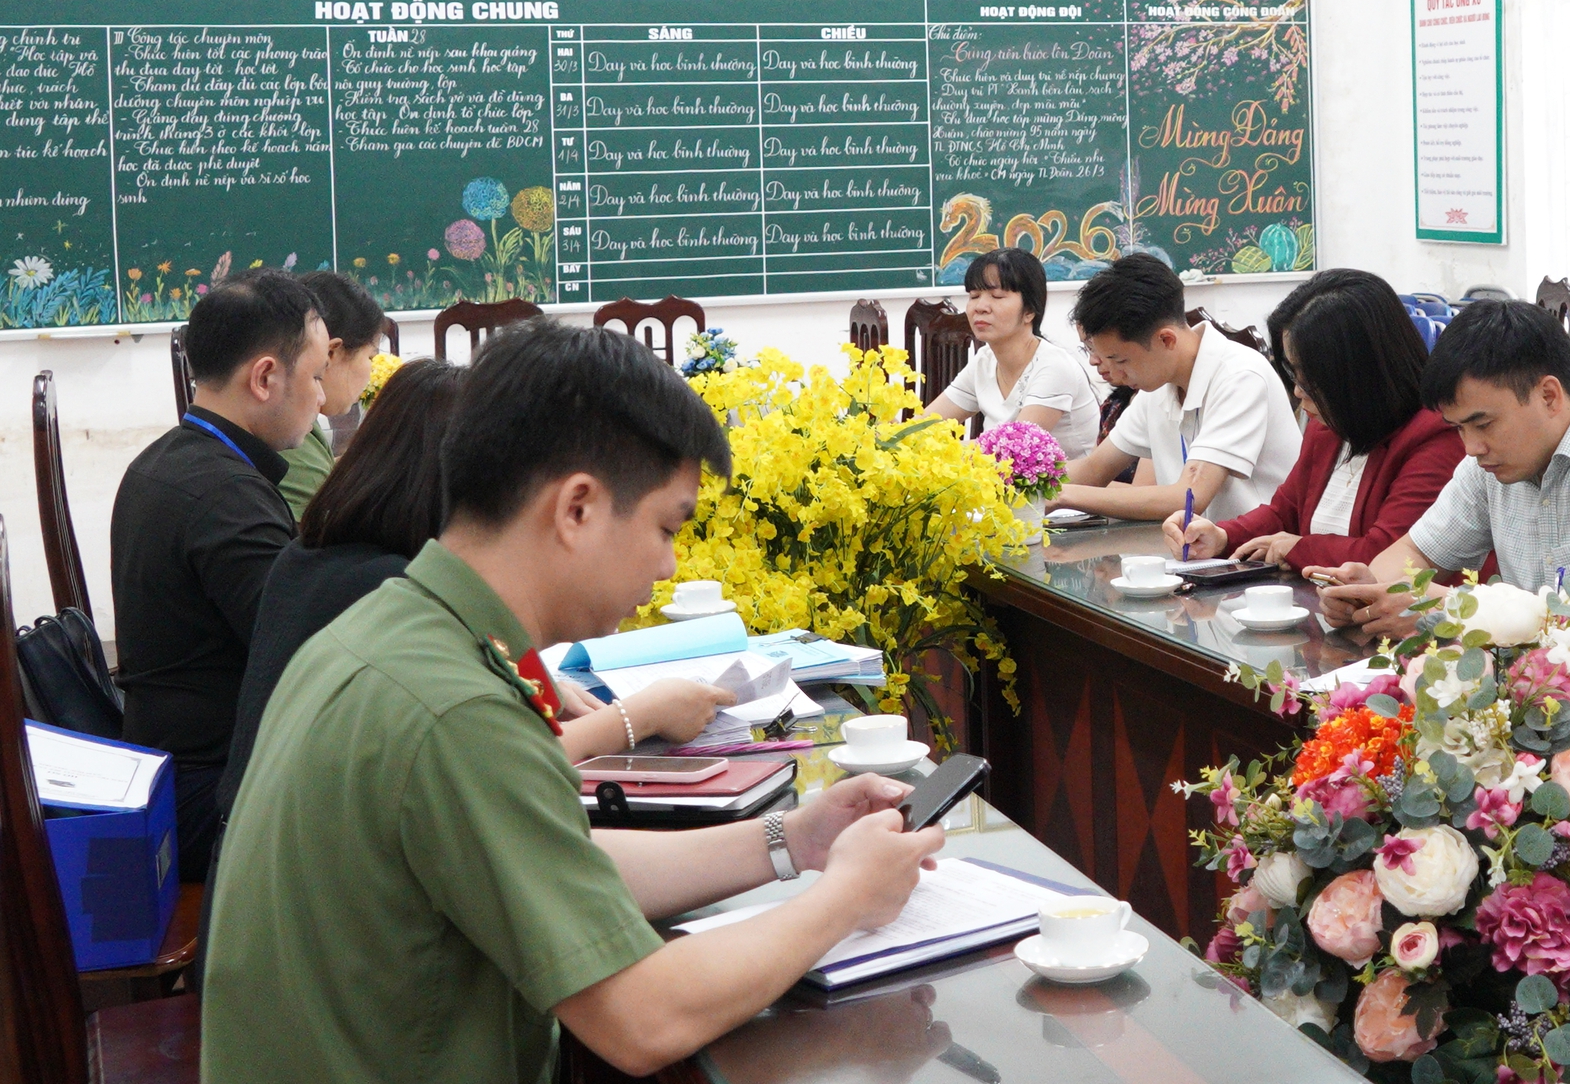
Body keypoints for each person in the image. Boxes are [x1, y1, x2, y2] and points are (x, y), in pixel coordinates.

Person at [205, 323, 946, 1081]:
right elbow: (643, 1016)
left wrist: (795, 839)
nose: (667, 565)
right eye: (665, 527)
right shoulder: (455, 708)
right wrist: (848, 896)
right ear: (577, 508)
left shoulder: (392, 630)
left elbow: (558, 859)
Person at [219, 360, 732, 822]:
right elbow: (502, 750)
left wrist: (542, 686)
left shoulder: (325, 557)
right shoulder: (387, 593)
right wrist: (640, 714)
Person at [112, 271, 327, 879]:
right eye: (314, 377)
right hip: (206, 793)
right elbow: (306, 656)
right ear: (264, 378)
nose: (321, 399)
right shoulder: (225, 496)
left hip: (175, 763)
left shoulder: (164, 461)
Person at [1316, 300, 1570, 640]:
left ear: (1549, 396)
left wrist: (1453, 609)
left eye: (1483, 425)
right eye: (1459, 428)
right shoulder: (1491, 461)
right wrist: (1368, 592)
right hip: (1548, 689)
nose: (1470, 448)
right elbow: (1417, 551)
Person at [1163, 268, 1464, 571]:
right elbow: (1285, 512)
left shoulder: (1437, 436)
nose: (1298, 392)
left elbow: (1388, 556)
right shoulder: (1329, 426)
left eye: (1312, 381)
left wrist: (1296, 548)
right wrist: (1223, 536)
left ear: (1360, 374)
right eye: (1294, 375)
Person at [1054, 254, 1298, 521]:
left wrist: (1063, 496)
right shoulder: (1157, 386)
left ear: (1166, 340)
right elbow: (1094, 469)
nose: (1114, 372)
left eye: (1120, 360)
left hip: (1262, 554)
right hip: (1199, 552)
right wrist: (1018, 481)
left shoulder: (1240, 376)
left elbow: (1190, 497)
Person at [928, 247, 1102, 456]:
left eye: (997, 296)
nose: (980, 307)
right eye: (974, 296)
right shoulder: (984, 361)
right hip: (1003, 482)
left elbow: (1013, 450)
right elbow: (925, 425)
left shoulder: (1054, 367)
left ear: (1029, 311)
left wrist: (937, 448)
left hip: (1069, 486)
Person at [276, 268, 389, 518]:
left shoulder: (297, 416)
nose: (371, 369)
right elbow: (321, 526)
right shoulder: (287, 432)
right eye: (370, 356)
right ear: (331, 352)